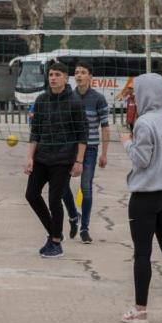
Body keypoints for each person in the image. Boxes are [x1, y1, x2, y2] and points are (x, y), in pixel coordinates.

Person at [120, 73, 162, 323]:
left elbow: (141, 160)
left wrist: (127, 143)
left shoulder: (144, 123)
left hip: (146, 196)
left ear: (146, 93)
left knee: (142, 254)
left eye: (137, 92)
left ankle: (140, 311)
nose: (134, 97)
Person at [24, 62, 86, 259]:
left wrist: (79, 161)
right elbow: (36, 131)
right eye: (50, 74)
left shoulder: (75, 102)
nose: (52, 78)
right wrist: (29, 157)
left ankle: (56, 243)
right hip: (42, 156)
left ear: (65, 78)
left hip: (63, 159)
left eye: (57, 74)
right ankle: (55, 232)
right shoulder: (41, 100)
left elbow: (82, 135)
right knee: (31, 195)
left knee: (54, 199)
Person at [61, 62, 110, 245]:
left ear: (90, 76)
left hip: (90, 148)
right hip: (69, 148)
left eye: (83, 72)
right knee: (61, 185)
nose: (79, 75)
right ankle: (74, 216)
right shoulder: (68, 97)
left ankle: (85, 228)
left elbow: (105, 128)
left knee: (86, 189)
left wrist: (104, 153)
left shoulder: (98, 99)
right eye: (76, 72)